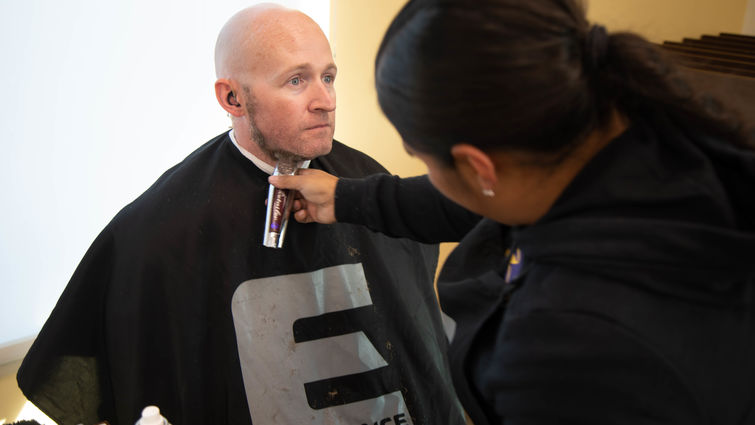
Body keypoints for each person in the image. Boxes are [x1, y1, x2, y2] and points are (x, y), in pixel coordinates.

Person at [269, 0, 755, 424]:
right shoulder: (655, 132)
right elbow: (480, 197)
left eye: (427, 161)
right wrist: (350, 198)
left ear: (480, 167)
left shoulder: (567, 352)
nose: (323, 100)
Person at [16, 4, 467, 425]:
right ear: (232, 97)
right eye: (296, 80)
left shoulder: (371, 183)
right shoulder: (159, 230)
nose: (325, 100)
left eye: (328, 77)